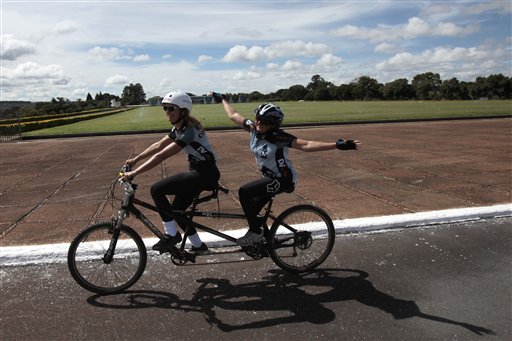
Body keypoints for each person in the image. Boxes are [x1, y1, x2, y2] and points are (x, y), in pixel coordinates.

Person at [211, 91, 360, 246]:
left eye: (265, 122)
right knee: (252, 212)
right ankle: (269, 242)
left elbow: (306, 145)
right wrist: (222, 99)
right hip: (269, 177)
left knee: (244, 192)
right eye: (258, 119)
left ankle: (255, 233)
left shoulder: (278, 137)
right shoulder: (253, 129)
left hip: (283, 179)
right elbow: (233, 115)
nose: (260, 124)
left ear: (274, 125)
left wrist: (337, 145)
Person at [121, 91, 220, 254]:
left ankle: (171, 235)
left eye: (170, 108)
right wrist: (135, 159)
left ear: (182, 110)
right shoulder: (179, 127)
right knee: (177, 212)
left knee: (157, 189)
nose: (167, 112)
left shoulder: (189, 130)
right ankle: (199, 246)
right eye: (165, 108)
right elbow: (158, 145)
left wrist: (135, 173)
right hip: (198, 171)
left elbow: (162, 155)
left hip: (205, 174)